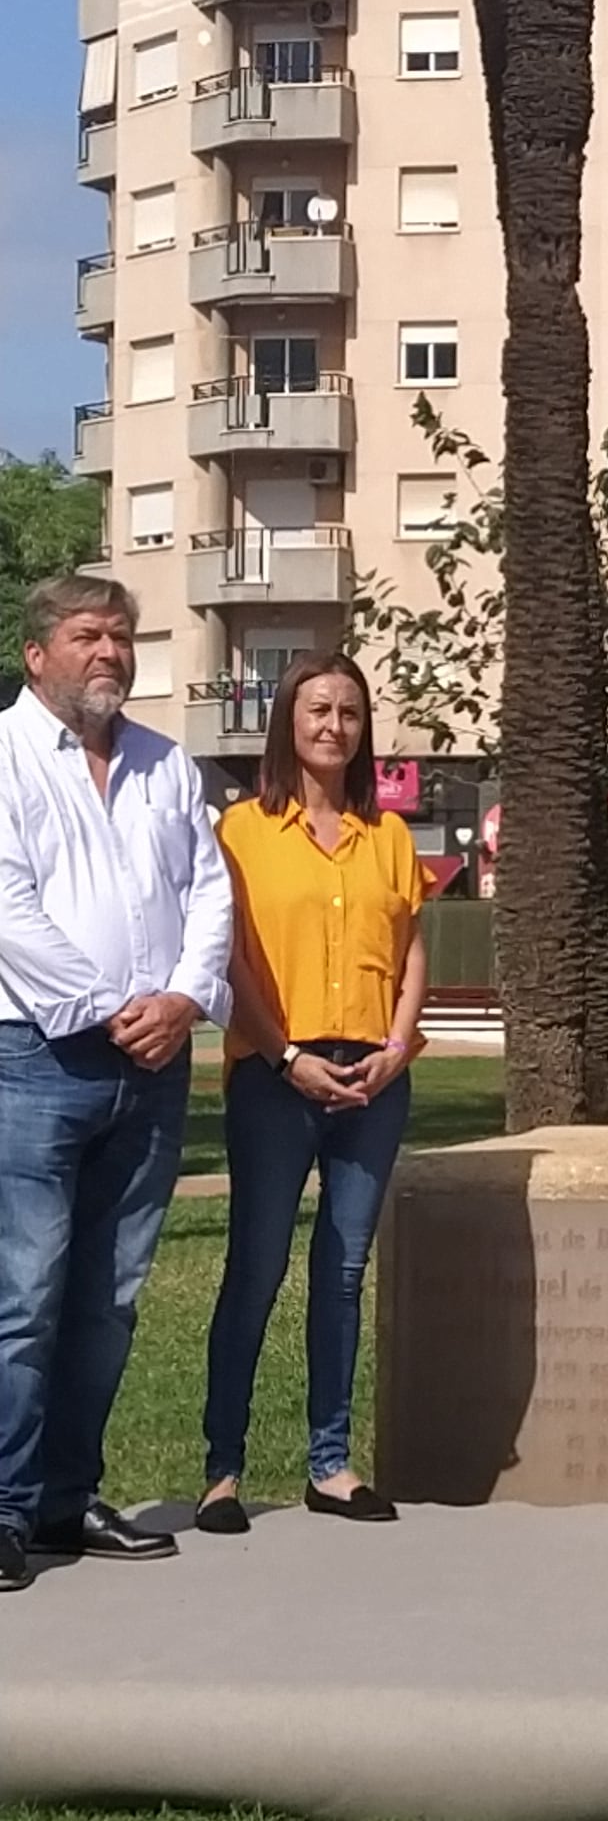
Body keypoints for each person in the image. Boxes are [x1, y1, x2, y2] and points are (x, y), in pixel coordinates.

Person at [0, 574, 234, 1591]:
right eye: (88, 634)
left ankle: (64, 1497)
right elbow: (7, 907)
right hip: (36, 1060)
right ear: (36, 652)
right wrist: (112, 1004)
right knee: (25, 1294)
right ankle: (4, 1508)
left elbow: (210, 891)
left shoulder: (165, 764)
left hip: (155, 1063)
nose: (111, 652)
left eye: (123, 636)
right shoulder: (4, 757)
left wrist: (182, 999)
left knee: (111, 1298)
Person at [200, 653, 426, 1531]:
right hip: (274, 1076)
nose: (334, 726)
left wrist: (399, 1047)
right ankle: (224, 1470)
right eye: (318, 709)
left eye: (351, 713)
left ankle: (329, 1463)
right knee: (255, 1270)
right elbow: (231, 961)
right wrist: (285, 1052)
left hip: (375, 1076)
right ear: (288, 721)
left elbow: (410, 951)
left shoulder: (391, 837)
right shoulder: (243, 832)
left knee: (341, 1274)